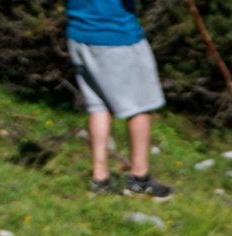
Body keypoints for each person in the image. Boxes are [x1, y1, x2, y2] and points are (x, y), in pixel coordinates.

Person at [66, 0, 173, 200]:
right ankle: (140, 179)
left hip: (79, 32)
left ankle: (100, 179)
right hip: (116, 34)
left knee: (98, 105)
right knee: (141, 105)